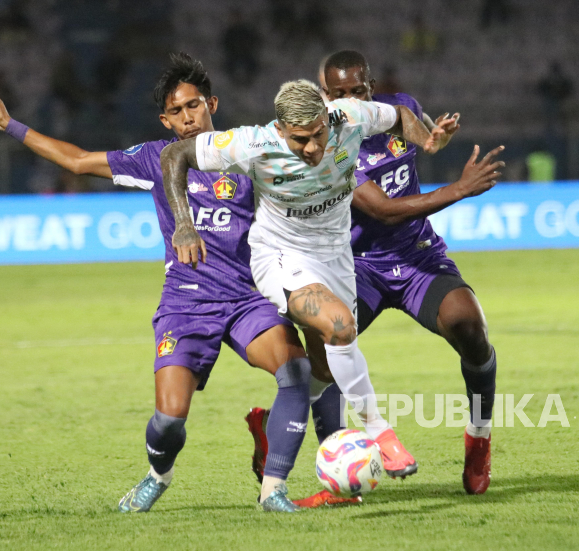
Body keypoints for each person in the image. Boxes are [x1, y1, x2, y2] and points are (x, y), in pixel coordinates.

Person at [0, 53, 313, 513]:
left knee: (295, 372)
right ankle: (159, 474)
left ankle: (273, 489)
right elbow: (76, 161)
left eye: (194, 105)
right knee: (169, 421)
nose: (187, 117)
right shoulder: (155, 158)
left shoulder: (245, 155)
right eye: (176, 112)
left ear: (212, 103)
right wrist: (11, 126)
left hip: (245, 300)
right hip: (185, 304)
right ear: (165, 120)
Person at [160, 76, 462, 485]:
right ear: (281, 130)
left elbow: (400, 116)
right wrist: (183, 223)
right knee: (339, 326)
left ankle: (272, 430)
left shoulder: (349, 116)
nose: (314, 148)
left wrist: (427, 139)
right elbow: (174, 156)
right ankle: (381, 433)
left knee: (324, 367)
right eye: (301, 140)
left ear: (327, 117)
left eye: (319, 134)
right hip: (279, 256)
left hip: (336, 256)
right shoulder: (252, 143)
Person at [247, 50, 504, 507]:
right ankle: (278, 437)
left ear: (370, 86)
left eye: (358, 90)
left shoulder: (391, 108)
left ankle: (478, 440)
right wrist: (458, 189)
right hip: (355, 265)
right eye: (339, 93)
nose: (349, 99)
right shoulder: (329, 144)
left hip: (416, 255)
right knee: (324, 365)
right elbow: (382, 210)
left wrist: (432, 140)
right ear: (324, 95)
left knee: (471, 327)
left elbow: (412, 121)